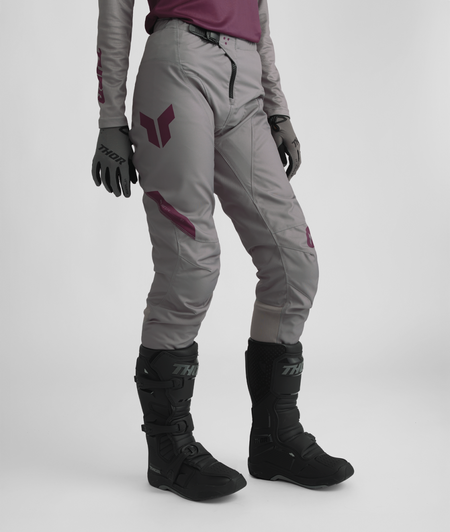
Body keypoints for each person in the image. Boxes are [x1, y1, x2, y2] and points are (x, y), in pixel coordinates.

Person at [92, 0, 354, 502]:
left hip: (247, 81)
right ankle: (168, 450)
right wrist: (110, 119)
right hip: (178, 66)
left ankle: (275, 439)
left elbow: (258, 13)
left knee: (293, 263)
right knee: (190, 261)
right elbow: (115, 6)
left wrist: (277, 107)